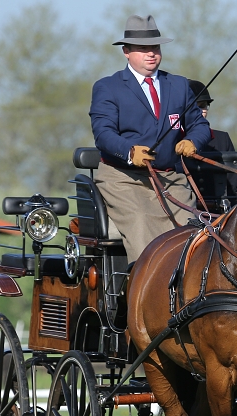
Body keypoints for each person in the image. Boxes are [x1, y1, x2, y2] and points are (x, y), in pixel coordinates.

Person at [89, 14, 211, 263]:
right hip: (124, 179)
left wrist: (193, 141)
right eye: (143, 49)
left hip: (170, 177)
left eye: (154, 48)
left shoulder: (178, 85)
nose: (151, 54)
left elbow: (200, 125)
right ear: (126, 51)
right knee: (141, 223)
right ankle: (142, 292)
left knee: (191, 231)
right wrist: (130, 151)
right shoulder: (108, 87)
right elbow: (103, 133)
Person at [186, 80, 237, 206]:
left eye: (203, 106)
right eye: (194, 107)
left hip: (218, 213)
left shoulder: (222, 139)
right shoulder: (169, 140)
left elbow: (234, 184)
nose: (200, 111)